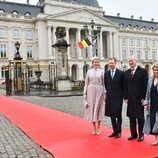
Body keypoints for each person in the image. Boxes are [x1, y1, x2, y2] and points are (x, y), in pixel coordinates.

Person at [124, 56, 148, 142]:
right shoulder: (126, 73)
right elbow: (125, 86)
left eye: (132, 61)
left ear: (136, 61)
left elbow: (145, 86)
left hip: (139, 99)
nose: (130, 62)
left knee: (140, 118)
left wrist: (144, 98)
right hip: (130, 99)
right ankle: (133, 134)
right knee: (131, 117)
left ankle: (141, 135)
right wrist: (125, 97)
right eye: (129, 61)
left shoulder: (143, 71)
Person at [83, 56, 105, 135]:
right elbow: (86, 83)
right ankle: (94, 127)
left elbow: (104, 83)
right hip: (91, 90)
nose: (96, 63)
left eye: (97, 62)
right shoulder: (89, 72)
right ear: (92, 63)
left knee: (98, 108)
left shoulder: (102, 71)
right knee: (92, 108)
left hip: (99, 90)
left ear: (99, 63)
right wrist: (84, 94)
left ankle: (99, 127)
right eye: (95, 62)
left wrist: (105, 93)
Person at [104, 58, 124, 138]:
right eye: (110, 63)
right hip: (110, 97)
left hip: (118, 97)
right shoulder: (106, 73)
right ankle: (115, 131)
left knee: (118, 115)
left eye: (112, 63)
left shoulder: (121, 73)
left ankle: (119, 132)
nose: (111, 64)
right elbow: (106, 85)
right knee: (112, 115)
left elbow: (123, 86)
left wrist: (122, 96)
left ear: (115, 63)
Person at [143, 64, 158, 145]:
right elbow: (147, 93)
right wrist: (146, 103)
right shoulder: (150, 80)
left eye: (157, 70)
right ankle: (156, 138)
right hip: (152, 104)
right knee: (153, 121)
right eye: (154, 70)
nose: (155, 71)